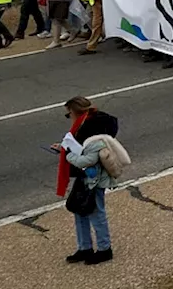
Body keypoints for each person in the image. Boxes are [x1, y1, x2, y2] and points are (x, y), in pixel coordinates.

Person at [58, 95, 120, 264]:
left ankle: (104, 249)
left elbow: (88, 159)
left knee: (95, 212)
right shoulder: (91, 125)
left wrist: (68, 154)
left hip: (94, 179)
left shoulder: (92, 131)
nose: (68, 117)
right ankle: (84, 247)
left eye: (68, 113)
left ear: (76, 112)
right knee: (80, 211)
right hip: (86, 176)